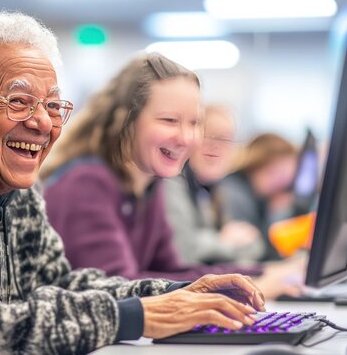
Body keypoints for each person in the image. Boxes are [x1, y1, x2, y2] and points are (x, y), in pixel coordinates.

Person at [0, 11, 266, 355]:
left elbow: (62, 283)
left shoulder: (15, 193)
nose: (43, 122)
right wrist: (131, 316)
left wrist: (177, 293)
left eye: (52, 105)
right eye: (19, 101)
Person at [41, 53, 303, 299]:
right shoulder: (86, 184)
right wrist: (244, 288)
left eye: (194, 123)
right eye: (169, 120)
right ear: (126, 121)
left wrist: (256, 275)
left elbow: (174, 272)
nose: (187, 138)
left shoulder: (150, 185)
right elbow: (117, 292)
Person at [164, 104, 265, 265]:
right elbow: (184, 250)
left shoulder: (216, 190)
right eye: (208, 135)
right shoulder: (171, 183)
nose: (216, 146)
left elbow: (255, 246)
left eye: (225, 138)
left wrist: (221, 243)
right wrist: (225, 241)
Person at [217, 133, 298, 261]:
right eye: (274, 173)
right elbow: (252, 251)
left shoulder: (260, 196)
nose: (280, 185)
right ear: (257, 165)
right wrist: (277, 213)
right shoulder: (234, 192)